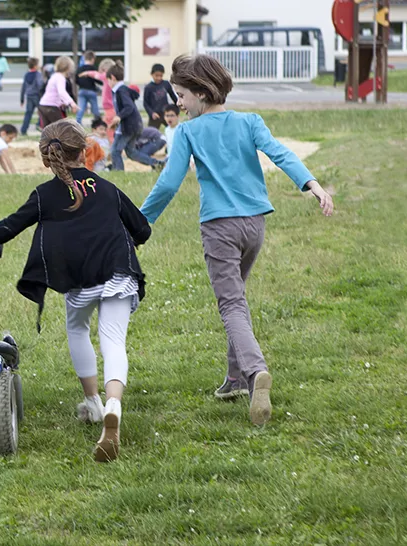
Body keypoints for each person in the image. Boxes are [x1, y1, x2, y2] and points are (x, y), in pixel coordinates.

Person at [139, 54, 335, 425]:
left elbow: (168, 183)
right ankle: (234, 380)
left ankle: (255, 372)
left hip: (220, 227)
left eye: (181, 95)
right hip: (254, 226)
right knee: (237, 300)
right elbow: (280, 154)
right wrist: (313, 185)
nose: (178, 103)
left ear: (200, 92)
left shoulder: (188, 132)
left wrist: (140, 223)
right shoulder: (249, 121)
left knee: (230, 305)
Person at [0, 119, 151, 462]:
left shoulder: (44, 195)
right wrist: (134, 239)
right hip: (117, 270)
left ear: (45, 158)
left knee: (77, 329)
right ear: (85, 152)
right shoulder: (108, 188)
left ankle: (93, 403)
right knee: (113, 339)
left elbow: (10, 226)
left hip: (79, 278)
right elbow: (141, 228)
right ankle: (114, 404)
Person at [106, 65, 163, 171]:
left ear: (112, 78)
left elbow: (129, 107)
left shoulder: (120, 90)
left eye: (108, 80)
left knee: (115, 150)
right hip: (134, 125)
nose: (108, 83)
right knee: (131, 153)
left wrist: (119, 116)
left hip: (129, 127)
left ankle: (118, 173)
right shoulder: (121, 90)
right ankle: (158, 164)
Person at [38, 56, 78, 128]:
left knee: (48, 132)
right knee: (62, 129)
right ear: (68, 67)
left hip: (43, 105)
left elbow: (52, 92)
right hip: (51, 107)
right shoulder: (61, 78)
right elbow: (61, 92)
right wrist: (72, 103)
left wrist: (62, 103)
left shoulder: (54, 76)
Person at [143, 63, 178, 130]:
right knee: (151, 134)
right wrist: (151, 113)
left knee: (174, 130)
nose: (159, 78)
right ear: (152, 74)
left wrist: (178, 106)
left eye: (161, 76)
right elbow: (145, 103)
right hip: (155, 115)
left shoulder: (166, 84)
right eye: (156, 75)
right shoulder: (148, 87)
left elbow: (173, 95)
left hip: (166, 113)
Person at [19, 58, 45, 136]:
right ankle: (39, 125)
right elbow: (40, 85)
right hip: (37, 96)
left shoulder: (26, 75)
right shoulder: (38, 74)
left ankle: (24, 129)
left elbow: (23, 87)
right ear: (35, 66)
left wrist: (22, 99)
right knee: (42, 112)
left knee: (28, 113)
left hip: (29, 95)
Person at [75, 51, 101, 124]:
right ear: (93, 59)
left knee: (81, 108)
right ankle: (98, 122)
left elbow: (76, 80)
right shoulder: (93, 69)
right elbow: (98, 80)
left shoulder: (79, 69)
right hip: (91, 91)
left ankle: (78, 123)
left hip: (82, 90)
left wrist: (81, 84)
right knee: (95, 108)